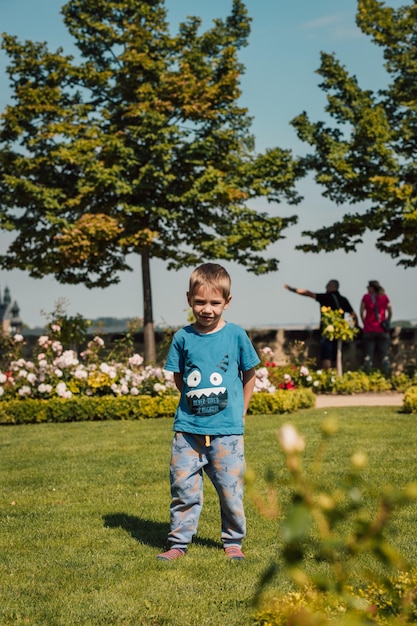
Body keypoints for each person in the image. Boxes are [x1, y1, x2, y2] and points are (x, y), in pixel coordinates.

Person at [157, 263, 260, 562]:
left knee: (230, 490)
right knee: (183, 489)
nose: (207, 309)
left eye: (215, 303)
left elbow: (249, 375)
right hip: (187, 431)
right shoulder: (182, 338)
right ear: (189, 299)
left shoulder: (237, 336)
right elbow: (179, 378)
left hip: (227, 431)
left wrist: (241, 413)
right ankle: (178, 543)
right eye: (200, 302)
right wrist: (196, 409)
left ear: (227, 302)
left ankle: (233, 542)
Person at [284, 280, 358, 369]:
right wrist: (356, 327)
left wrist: (293, 289)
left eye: (327, 286)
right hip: (339, 331)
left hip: (326, 331)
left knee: (326, 356)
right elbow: (353, 315)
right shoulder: (343, 300)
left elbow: (308, 293)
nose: (325, 288)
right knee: (336, 356)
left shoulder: (325, 297)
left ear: (331, 286)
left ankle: (327, 375)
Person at [360, 280, 392, 375]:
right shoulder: (384, 297)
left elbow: (361, 312)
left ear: (371, 288)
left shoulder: (366, 297)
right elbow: (390, 312)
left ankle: (367, 374)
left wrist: (364, 323)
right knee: (384, 356)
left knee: (368, 356)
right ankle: (386, 374)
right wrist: (387, 322)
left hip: (369, 330)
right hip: (382, 330)